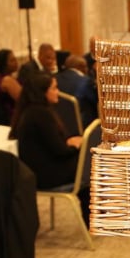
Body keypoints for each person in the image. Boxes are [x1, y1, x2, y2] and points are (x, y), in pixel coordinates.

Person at [10, 73, 89, 222]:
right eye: (54, 88)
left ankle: (93, 218)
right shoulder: (41, 114)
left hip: (39, 171)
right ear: (42, 92)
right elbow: (60, 151)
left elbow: (53, 145)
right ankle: (93, 218)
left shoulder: (30, 111)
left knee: (88, 165)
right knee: (90, 163)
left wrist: (71, 143)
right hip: (47, 176)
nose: (58, 92)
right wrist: (76, 146)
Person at [55, 54, 99, 127]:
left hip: (60, 121)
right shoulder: (86, 81)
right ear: (82, 67)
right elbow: (96, 101)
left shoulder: (56, 78)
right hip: (81, 124)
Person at [0, 48, 22, 126]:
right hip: (8, 120)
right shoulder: (7, 80)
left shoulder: (7, 78)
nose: (16, 62)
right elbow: (23, 98)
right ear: (4, 65)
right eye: (12, 60)